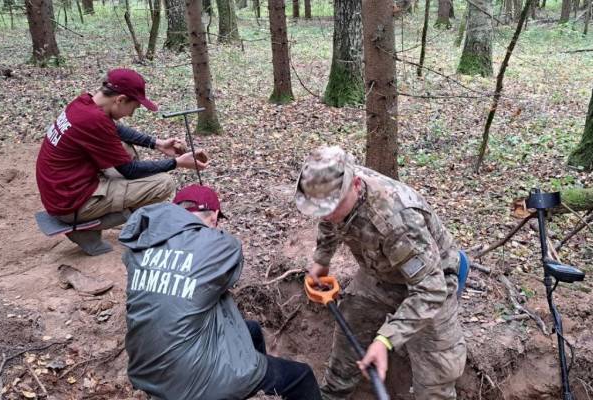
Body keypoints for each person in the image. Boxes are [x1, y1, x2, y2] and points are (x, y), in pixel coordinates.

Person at [119, 184, 322, 400]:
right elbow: (227, 276)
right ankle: (245, 381)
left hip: (146, 371)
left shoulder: (140, 245)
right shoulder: (221, 244)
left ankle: (255, 386)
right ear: (214, 217)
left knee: (251, 330)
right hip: (193, 381)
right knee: (302, 376)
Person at [294, 146, 466, 400]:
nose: (327, 215)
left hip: (431, 282)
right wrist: (322, 257)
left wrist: (385, 340)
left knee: (437, 377)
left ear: (354, 185)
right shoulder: (334, 192)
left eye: (332, 207)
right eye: (320, 209)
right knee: (349, 329)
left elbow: (431, 289)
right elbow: (329, 220)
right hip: (379, 275)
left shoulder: (398, 221)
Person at [35, 68, 208, 256]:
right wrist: (177, 163)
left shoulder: (84, 103)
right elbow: (130, 170)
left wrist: (156, 144)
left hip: (62, 191)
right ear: (120, 99)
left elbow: (114, 130)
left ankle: (116, 215)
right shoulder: (92, 119)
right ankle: (86, 228)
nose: (132, 114)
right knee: (163, 184)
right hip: (71, 205)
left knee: (125, 147)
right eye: (134, 107)